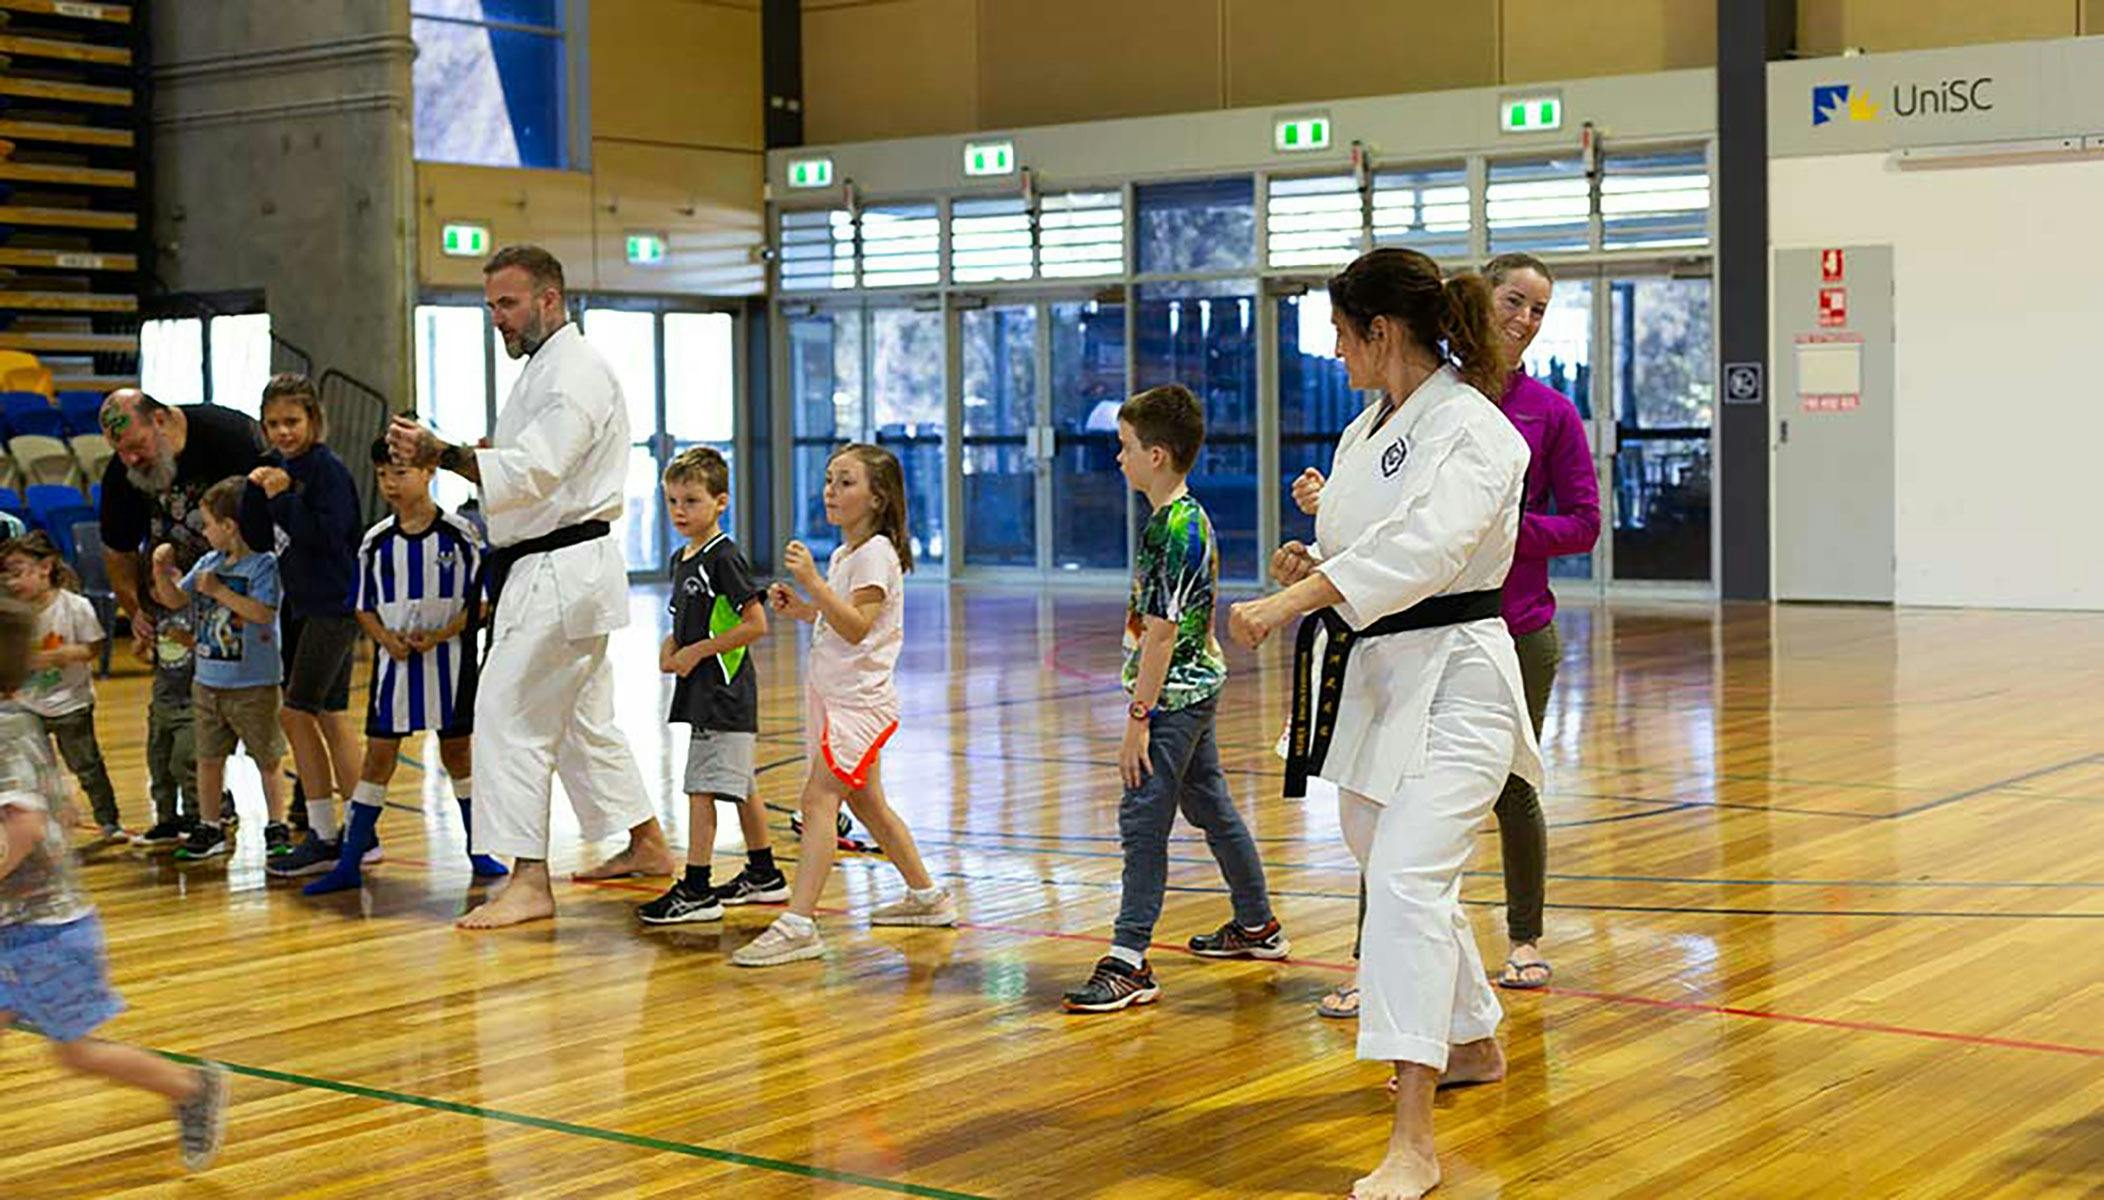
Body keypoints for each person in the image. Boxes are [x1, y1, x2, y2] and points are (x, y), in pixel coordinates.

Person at [1227, 247, 1539, 1200]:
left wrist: (1292, 605)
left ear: (1382, 331)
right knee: (1381, 851)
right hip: (1378, 677)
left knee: (1405, 880)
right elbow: (1366, 546)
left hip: (1461, 682)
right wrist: (1310, 565)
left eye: (1339, 331)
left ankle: (1412, 1136)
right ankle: (1474, 1036)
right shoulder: (1371, 428)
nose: (1333, 349)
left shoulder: (1481, 432)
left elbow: (1426, 549)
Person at [1307, 251, 1601, 1017]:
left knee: (1505, 794)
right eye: (1514, 300)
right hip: (1398, 637)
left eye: (1540, 310)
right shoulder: (1395, 413)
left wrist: (1490, 529)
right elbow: (1392, 534)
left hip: (1508, 628)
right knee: (1382, 819)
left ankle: (1524, 939)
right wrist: (1333, 514)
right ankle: (1383, 966)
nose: (1524, 319)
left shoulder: (1537, 414)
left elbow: (1581, 525)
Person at [385, 244, 673, 928]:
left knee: (506, 718)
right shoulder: (549, 368)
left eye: (507, 304)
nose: (497, 319)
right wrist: (469, 454)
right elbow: (530, 463)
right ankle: (647, 843)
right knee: (578, 720)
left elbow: (537, 470)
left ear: (549, 299)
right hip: (557, 570)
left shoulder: (574, 372)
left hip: (559, 573)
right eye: (490, 306)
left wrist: (445, 455)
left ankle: (528, 880)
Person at [1061, 385, 1286, 1014]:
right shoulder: (1184, 518)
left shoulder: (1173, 530)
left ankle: (1129, 960)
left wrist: (1139, 718)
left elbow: (1160, 634)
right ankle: (1258, 924)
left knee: (1143, 819)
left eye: (1126, 447)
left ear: (1157, 455)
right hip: (1196, 687)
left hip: (1173, 700)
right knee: (1211, 806)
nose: (1118, 459)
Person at [0, 596, 231, 1170]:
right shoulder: (20, 721)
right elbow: (65, 806)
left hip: (44, 935)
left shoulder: (5, 731)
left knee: (78, 1053)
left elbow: (25, 823)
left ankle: (190, 1088)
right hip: (19, 927)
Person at [733, 444, 953, 967]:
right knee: (867, 803)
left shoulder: (876, 553)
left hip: (858, 702)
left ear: (878, 498)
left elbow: (858, 629)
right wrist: (806, 609)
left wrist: (811, 583)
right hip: (835, 695)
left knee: (817, 804)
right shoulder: (846, 555)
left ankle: (799, 923)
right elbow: (844, 620)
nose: (831, 490)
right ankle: (928, 898)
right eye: (830, 480)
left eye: (846, 482)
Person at [299, 440, 506, 895]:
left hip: (450, 662)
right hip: (394, 668)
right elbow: (362, 605)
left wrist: (441, 633)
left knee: (458, 755)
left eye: (401, 473)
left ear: (430, 472)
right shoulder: (375, 542)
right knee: (378, 757)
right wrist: (385, 638)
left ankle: (480, 849)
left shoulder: (461, 535)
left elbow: (483, 604)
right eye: (383, 475)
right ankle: (350, 861)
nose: (391, 484)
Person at [636, 448, 781, 926]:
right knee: (742, 786)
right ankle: (764, 874)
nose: (680, 511)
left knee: (701, 789)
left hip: (725, 691)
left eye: (692, 501)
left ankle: (697, 888)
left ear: (720, 502)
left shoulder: (724, 557)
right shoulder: (684, 557)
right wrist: (670, 645)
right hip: (701, 691)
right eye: (673, 501)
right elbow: (685, 622)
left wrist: (697, 652)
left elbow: (755, 623)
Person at [240, 375, 367, 873]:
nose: (283, 432)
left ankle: (323, 833)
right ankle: (362, 831)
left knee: (295, 713)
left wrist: (286, 496)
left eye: (292, 422)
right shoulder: (275, 467)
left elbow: (326, 537)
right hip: (300, 605)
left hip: (332, 603)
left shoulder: (327, 472)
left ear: (313, 420)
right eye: (273, 424)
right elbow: (255, 538)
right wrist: (257, 492)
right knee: (329, 715)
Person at [149, 478, 292, 863]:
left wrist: (221, 593)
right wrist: (162, 572)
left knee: (267, 757)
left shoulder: (264, 565)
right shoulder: (208, 564)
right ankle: (210, 824)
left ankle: (276, 822)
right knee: (208, 758)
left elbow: (264, 613)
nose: (204, 531)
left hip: (254, 683)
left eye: (209, 524)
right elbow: (177, 598)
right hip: (208, 681)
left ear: (229, 526)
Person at [0, 533, 121, 843]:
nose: (13, 582)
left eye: (19, 572)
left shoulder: (75, 607)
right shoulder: (12, 614)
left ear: (45, 568)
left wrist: (64, 655)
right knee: (37, 771)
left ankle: (109, 821)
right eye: (7, 574)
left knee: (87, 766)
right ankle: (51, 823)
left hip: (71, 704)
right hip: (28, 705)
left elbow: (93, 647)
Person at [129, 543, 205, 850]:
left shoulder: (198, 612)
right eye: (154, 584)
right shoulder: (156, 616)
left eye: (170, 578)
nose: (161, 588)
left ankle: (196, 817)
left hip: (191, 704)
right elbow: (153, 659)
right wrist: (140, 650)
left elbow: (208, 650)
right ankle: (166, 818)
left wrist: (186, 640)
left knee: (185, 761)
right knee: (158, 763)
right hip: (161, 703)